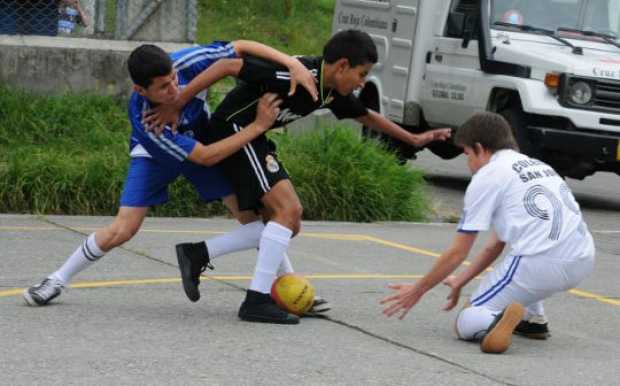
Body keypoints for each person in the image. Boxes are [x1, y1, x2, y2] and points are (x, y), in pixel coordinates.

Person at [147, 29, 451, 324]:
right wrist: (179, 101)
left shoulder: (331, 91)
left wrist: (414, 140)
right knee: (288, 211)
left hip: (256, 139)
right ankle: (256, 299)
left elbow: (365, 115)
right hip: (235, 131)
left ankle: (210, 259)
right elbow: (228, 64)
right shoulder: (294, 74)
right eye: (361, 74)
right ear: (342, 65)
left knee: (285, 224)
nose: (362, 83)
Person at [23, 39, 319, 307]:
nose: (173, 88)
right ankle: (56, 280)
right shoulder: (148, 121)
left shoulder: (185, 63)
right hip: (157, 157)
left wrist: (292, 63)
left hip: (201, 139)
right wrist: (257, 126)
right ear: (141, 90)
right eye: (163, 88)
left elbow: (240, 47)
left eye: (173, 80)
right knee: (123, 229)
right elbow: (204, 157)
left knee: (253, 220)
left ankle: (289, 288)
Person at [381, 112, 595, 354]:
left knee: (465, 322)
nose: (468, 163)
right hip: (583, 257)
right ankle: (532, 320)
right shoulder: (537, 165)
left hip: (541, 263)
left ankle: (493, 319)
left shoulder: (488, 176)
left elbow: (457, 252)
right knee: (522, 256)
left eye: (467, 154)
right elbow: (495, 245)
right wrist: (462, 280)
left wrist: (418, 290)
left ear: (480, 148)